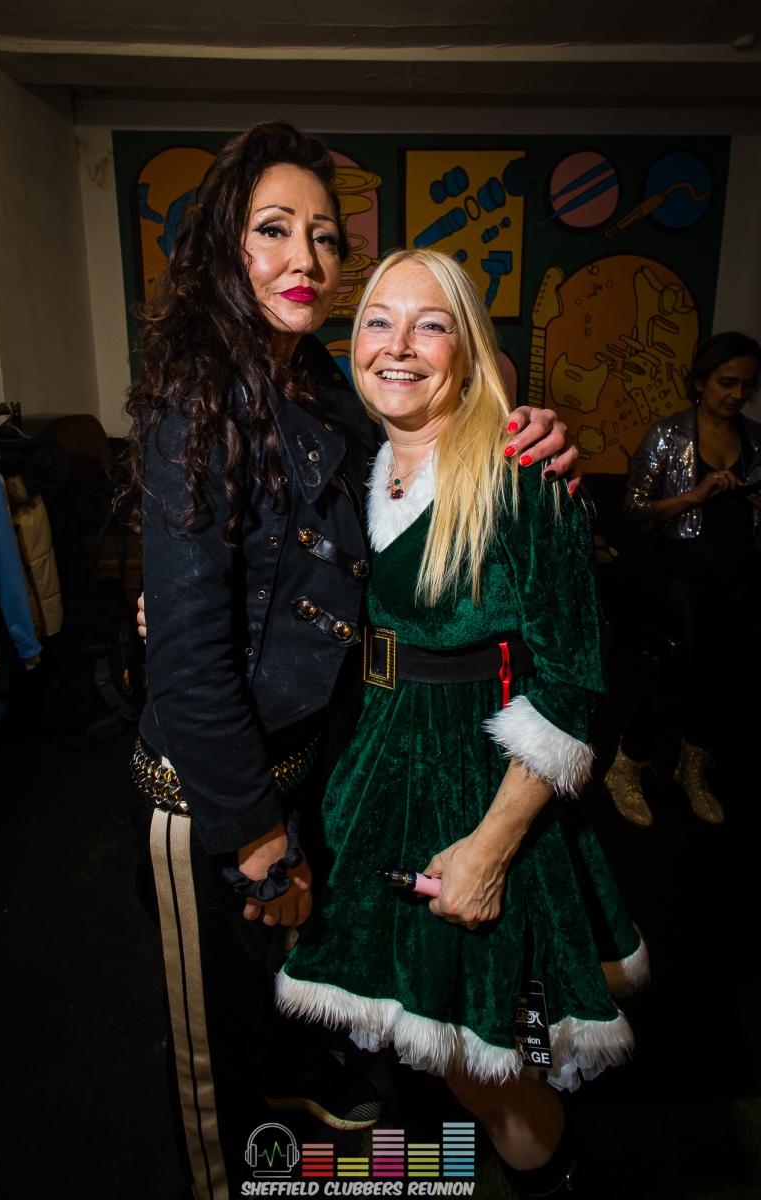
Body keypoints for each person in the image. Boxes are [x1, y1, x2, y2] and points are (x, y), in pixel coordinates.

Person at [124, 122, 577, 1199]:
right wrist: (259, 843)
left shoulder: (322, 383)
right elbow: (191, 666)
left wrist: (527, 430)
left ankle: (317, 1159)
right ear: (224, 246)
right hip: (209, 798)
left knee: (290, 1025)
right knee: (219, 1062)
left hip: (312, 772)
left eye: (325, 237)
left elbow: (425, 436)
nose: (305, 259)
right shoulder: (197, 401)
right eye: (272, 230)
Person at [277, 249, 648, 1200]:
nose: (398, 346)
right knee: (407, 1036)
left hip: (473, 793)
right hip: (367, 775)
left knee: (485, 1065)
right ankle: (427, 1169)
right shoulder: (350, 465)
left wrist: (489, 849)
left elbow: (571, 686)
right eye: (377, 321)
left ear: (471, 349)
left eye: (430, 324)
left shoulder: (522, 476)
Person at [605, 332, 761, 827]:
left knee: (721, 682)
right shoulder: (668, 435)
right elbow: (634, 512)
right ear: (700, 382)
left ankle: (691, 770)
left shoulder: (755, 438)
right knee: (679, 683)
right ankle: (626, 765)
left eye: (748, 385)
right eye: (727, 382)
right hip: (682, 576)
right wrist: (693, 497)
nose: (737, 394)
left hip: (742, 575)